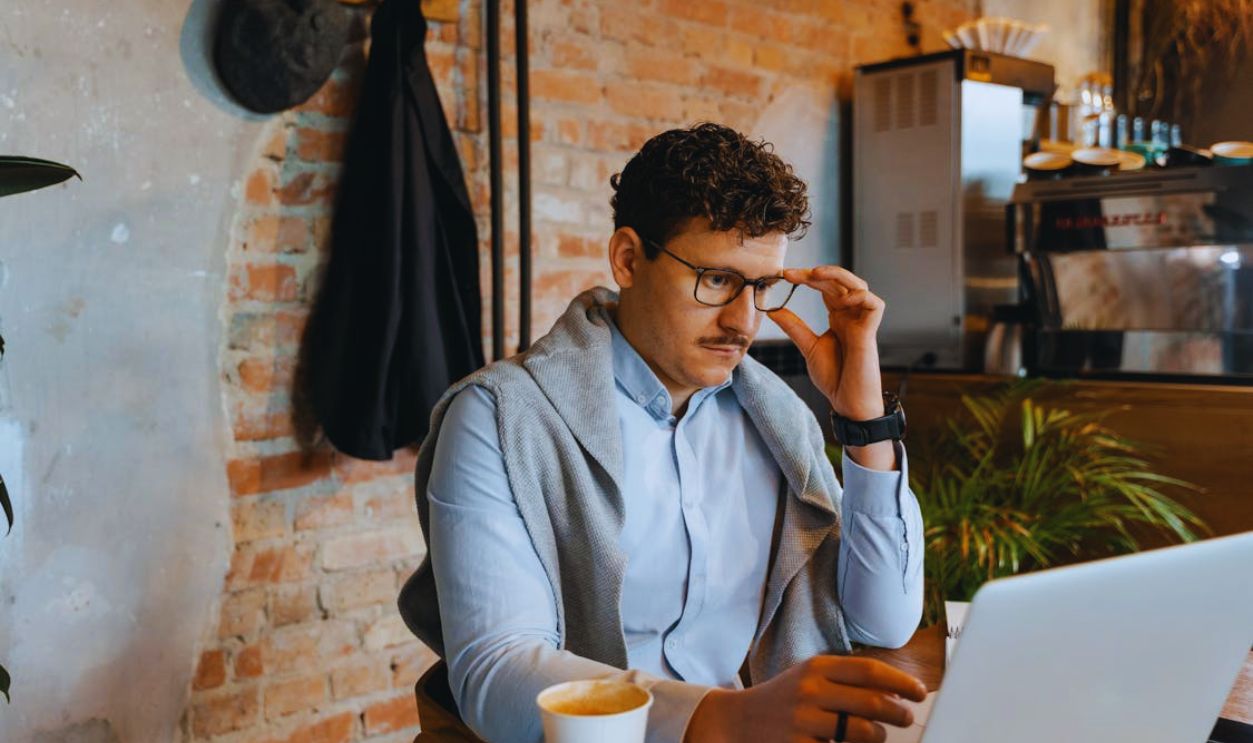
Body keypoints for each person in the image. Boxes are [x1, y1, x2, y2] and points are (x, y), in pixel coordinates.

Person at [397, 122, 926, 743]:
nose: (743, 322)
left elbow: (883, 621)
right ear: (628, 259)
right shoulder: (500, 417)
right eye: (718, 280)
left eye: (760, 287)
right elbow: (496, 675)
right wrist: (722, 718)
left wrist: (865, 421)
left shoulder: (775, 419)